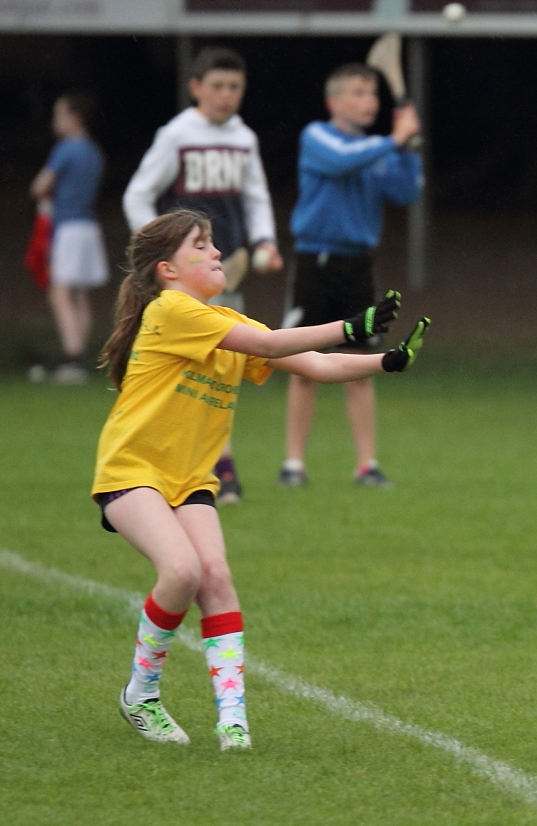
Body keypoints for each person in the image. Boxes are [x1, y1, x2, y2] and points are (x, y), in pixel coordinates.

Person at [94, 209, 428, 751]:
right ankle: (142, 694)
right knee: (180, 571)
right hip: (132, 470)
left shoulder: (228, 323)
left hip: (190, 479)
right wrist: (352, 326)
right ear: (167, 270)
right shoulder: (172, 310)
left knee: (216, 577)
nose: (216, 252)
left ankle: (233, 721)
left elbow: (312, 364)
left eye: (214, 244)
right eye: (200, 246)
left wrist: (383, 362)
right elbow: (275, 347)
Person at [123, 45, 283, 505]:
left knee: (226, 368)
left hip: (224, 272)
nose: (226, 95)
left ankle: (219, 465)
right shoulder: (177, 135)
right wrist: (156, 252)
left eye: (235, 87)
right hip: (183, 282)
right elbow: (138, 195)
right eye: (216, 86)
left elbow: (255, 197)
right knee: (184, 373)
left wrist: (265, 241)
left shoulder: (244, 138)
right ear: (195, 88)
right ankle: (197, 467)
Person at [278, 63, 422, 489]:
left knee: (359, 364)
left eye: (373, 94)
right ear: (333, 101)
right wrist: (394, 139)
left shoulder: (378, 151)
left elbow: (407, 191)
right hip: (316, 260)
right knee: (305, 366)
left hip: (358, 265)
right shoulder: (318, 138)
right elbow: (342, 163)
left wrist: (409, 148)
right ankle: (293, 464)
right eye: (357, 92)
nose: (368, 101)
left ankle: (366, 465)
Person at [28, 91, 108, 385]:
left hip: (68, 227)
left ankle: (72, 358)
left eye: (58, 115)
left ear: (74, 118)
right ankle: (77, 358)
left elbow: (40, 186)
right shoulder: (94, 152)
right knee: (79, 294)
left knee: (59, 292)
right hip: (89, 226)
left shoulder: (65, 149)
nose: (55, 122)